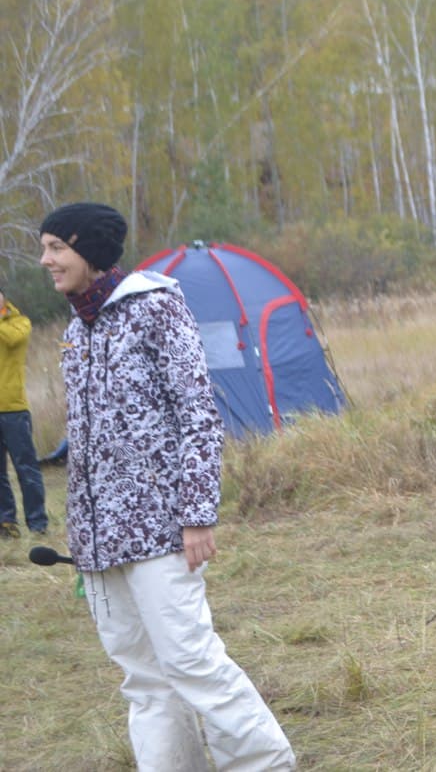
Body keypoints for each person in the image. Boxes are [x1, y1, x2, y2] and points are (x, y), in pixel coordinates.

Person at [39, 202, 296, 771]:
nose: (46, 261)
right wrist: (82, 536)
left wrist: (197, 515)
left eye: (57, 248)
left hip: (161, 531)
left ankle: (263, 764)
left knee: (191, 662)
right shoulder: (76, 331)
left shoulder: (154, 308)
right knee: (143, 678)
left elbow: (198, 417)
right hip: (99, 542)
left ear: (89, 250)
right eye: (45, 249)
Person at [0, 288, 48, 538]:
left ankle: (37, 522)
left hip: (14, 409)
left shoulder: (20, 323)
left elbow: (12, 339)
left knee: (26, 468)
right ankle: (6, 522)